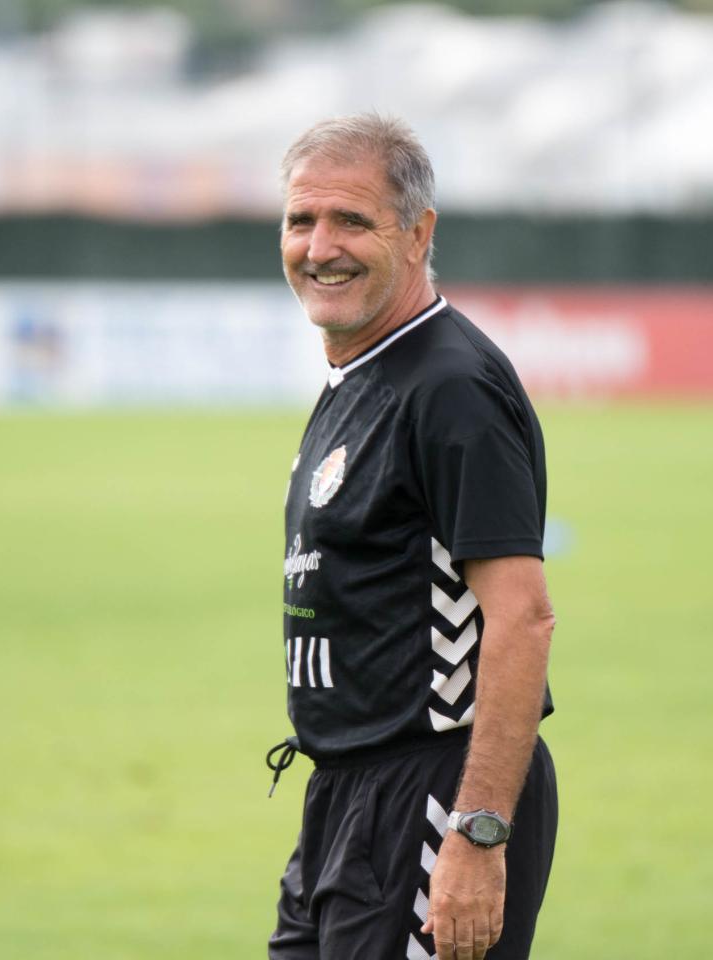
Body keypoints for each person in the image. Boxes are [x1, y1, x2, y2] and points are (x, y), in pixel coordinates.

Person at [268, 114, 557, 960]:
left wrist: (476, 833)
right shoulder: (363, 374)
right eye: (300, 221)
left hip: (436, 791)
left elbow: (523, 617)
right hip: (346, 799)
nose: (319, 246)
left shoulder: (451, 388)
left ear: (419, 231)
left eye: (351, 221)